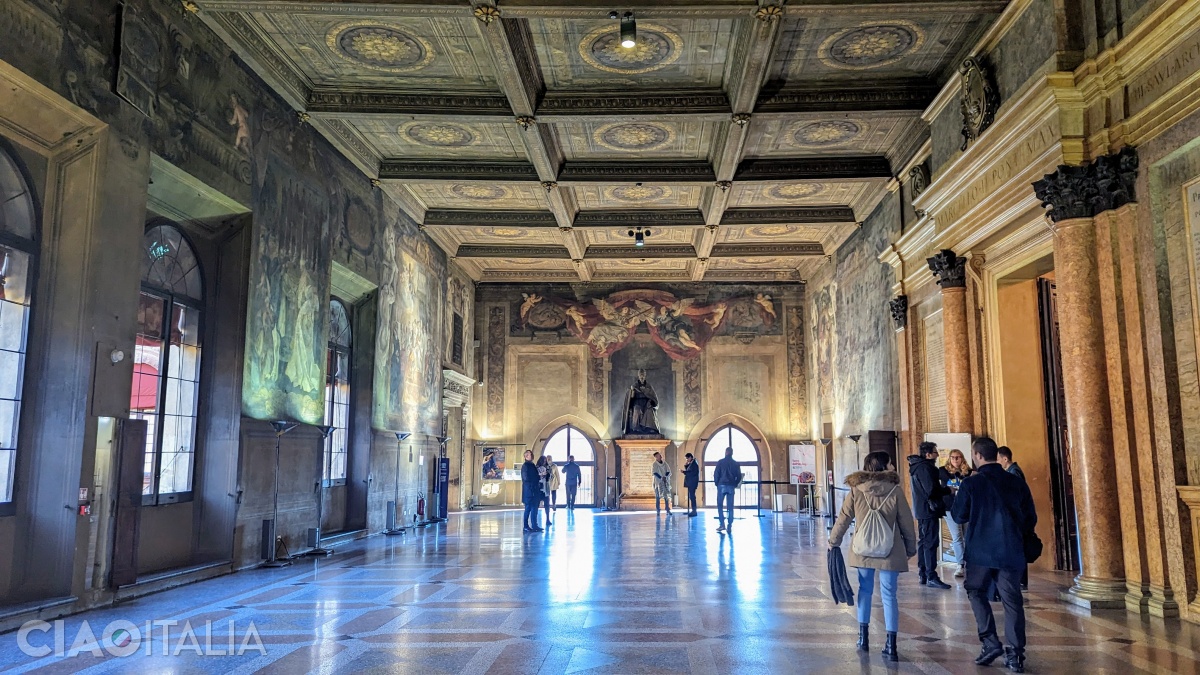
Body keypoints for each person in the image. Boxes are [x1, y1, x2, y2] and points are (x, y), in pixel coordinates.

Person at [952, 436, 1037, 673]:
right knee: (1012, 601)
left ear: (977, 456)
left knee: (975, 591)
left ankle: (990, 642)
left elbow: (959, 516)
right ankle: (1015, 655)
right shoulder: (1016, 481)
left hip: (980, 551)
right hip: (1011, 550)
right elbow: (1031, 517)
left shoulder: (971, 484)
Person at [828, 451, 918, 662]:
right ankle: (891, 645)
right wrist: (911, 548)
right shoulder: (895, 491)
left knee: (865, 590)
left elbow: (843, 518)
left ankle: (863, 638)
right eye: (890, 463)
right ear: (883, 466)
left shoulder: (856, 490)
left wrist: (834, 541)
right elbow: (906, 522)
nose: (893, 466)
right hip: (890, 550)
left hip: (863, 548)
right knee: (889, 595)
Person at [907, 441, 950, 589]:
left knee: (924, 542)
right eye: (935, 452)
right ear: (928, 454)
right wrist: (947, 490)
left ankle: (924, 573)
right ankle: (931, 574)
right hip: (928, 510)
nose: (937, 454)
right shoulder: (925, 468)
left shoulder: (917, 467)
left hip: (922, 510)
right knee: (930, 542)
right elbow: (931, 490)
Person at [939, 448, 973, 578]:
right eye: (952, 457)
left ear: (962, 458)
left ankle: (969, 562)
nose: (955, 460)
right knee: (957, 536)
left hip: (965, 508)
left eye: (958, 457)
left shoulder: (968, 472)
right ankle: (960, 564)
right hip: (950, 508)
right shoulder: (943, 471)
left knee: (967, 536)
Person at [713, 447, 741, 532]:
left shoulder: (720, 462)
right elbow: (739, 476)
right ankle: (730, 525)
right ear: (732, 453)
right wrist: (735, 483)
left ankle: (722, 524)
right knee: (730, 506)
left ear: (725, 452)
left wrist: (717, 483)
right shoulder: (735, 463)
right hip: (731, 486)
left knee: (720, 505)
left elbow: (716, 474)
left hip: (721, 485)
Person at [521, 450, 542, 532]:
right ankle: (526, 526)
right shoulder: (525, 466)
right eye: (530, 454)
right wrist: (535, 479)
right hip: (529, 491)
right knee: (528, 509)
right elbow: (526, 478)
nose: (532, 455)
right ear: (526, 456)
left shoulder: (532, 465)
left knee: (534, 509)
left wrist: (539, 477)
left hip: (534, 490)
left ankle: (535, 525)